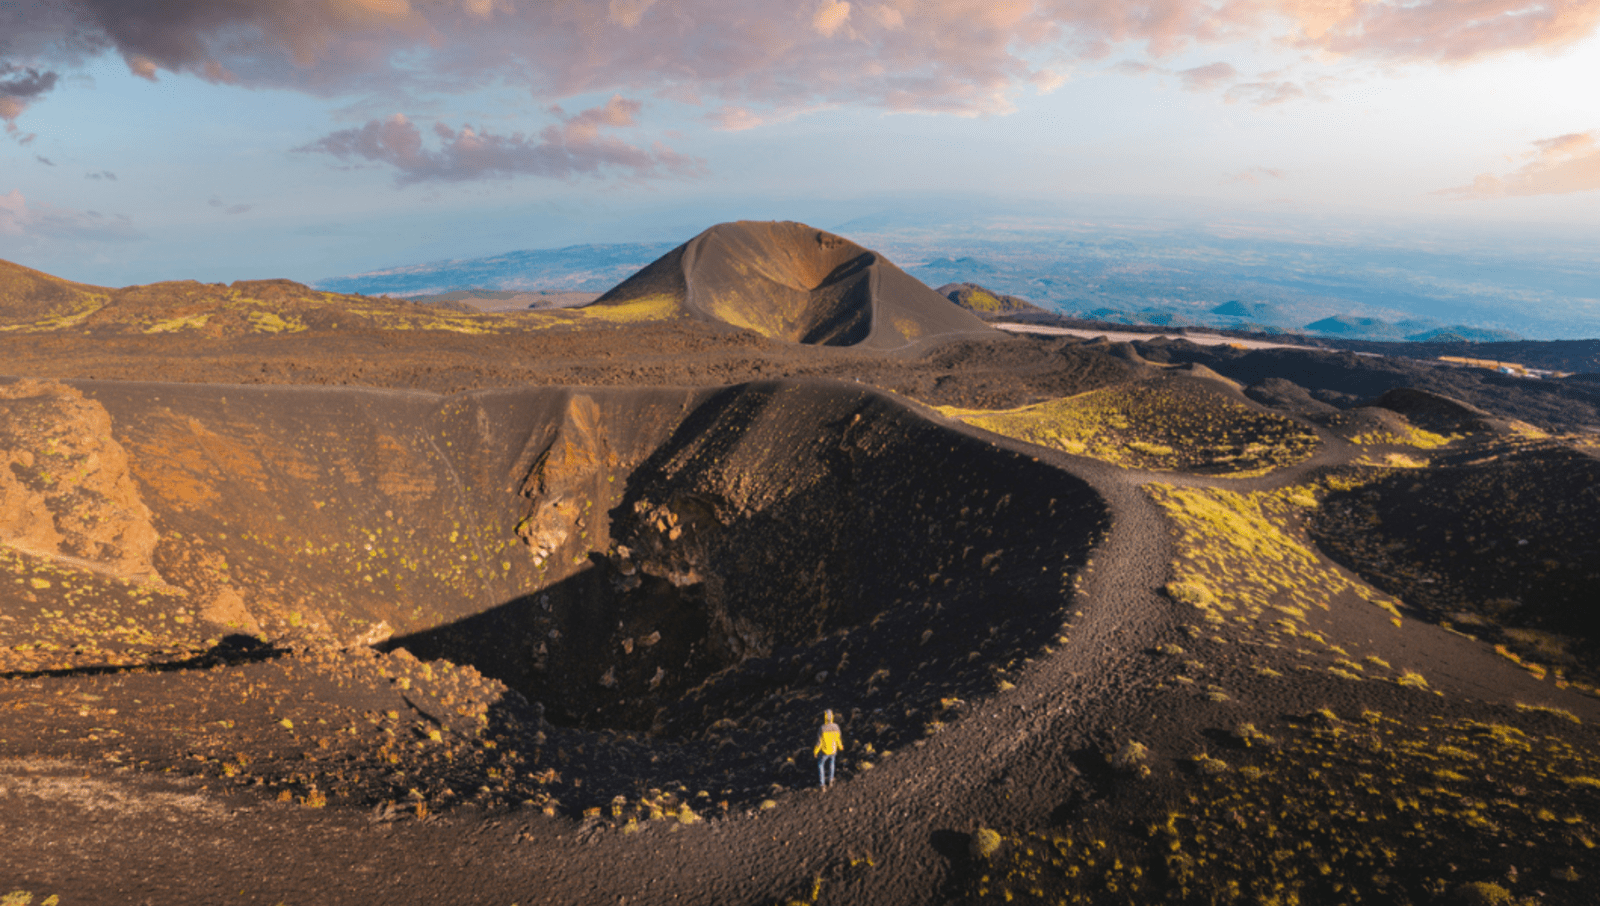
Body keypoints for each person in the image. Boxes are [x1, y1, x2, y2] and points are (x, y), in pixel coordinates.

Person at [814, 709, 843, 789]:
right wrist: (840, 746)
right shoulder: (836, 727)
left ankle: (822, 785)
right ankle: (830, 781)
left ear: (825, 717)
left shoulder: (822, 728)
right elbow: (838, 739)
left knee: (820, 765)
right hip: (834, 750)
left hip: (825, 751)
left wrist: (815, 751)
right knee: (832, 763)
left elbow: (819, 742)